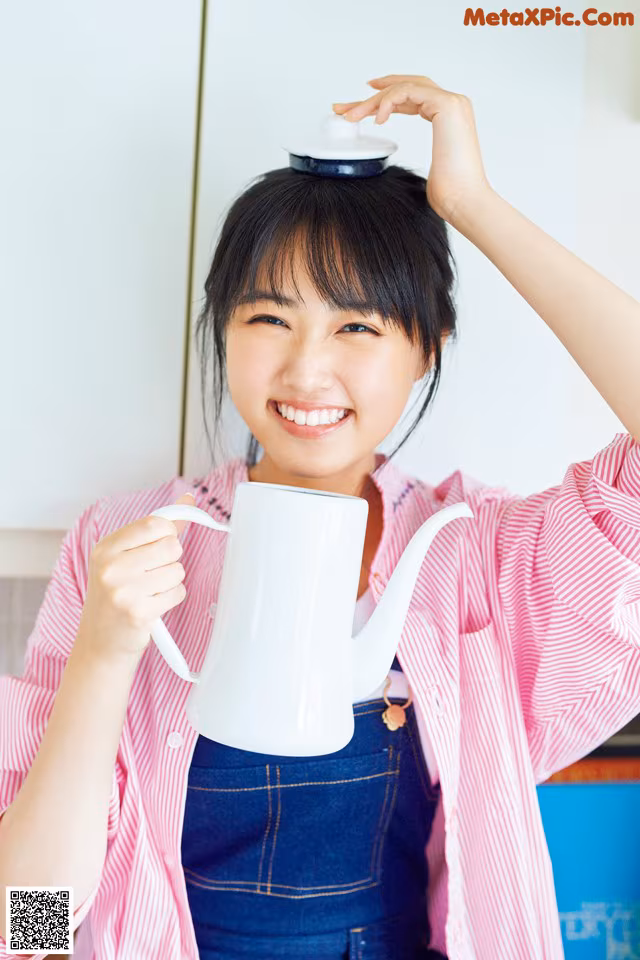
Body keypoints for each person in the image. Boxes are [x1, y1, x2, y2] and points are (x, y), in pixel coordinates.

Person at [1, 73, 639, 960]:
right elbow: (26, 921)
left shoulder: (471, 560)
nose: (307, 371)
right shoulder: (122, 547)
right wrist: (103, 660)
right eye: (270, 317)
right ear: (224, 328)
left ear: (427, 347)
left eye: (358, 328)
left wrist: (474, 206)